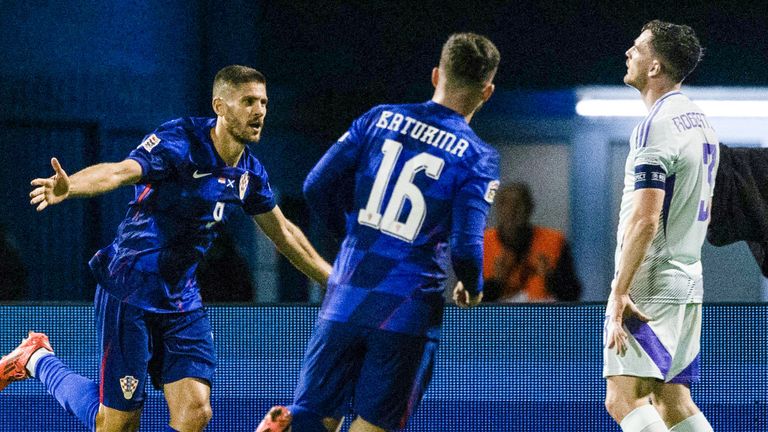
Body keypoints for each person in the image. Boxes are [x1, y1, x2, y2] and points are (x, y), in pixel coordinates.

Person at [0, 65, 332, 432]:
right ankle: (37, 359)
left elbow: (284, 232)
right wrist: (71, 186)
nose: (259, 111)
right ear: (220, 107)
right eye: (248, 101)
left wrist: (334, 281)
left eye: (264, 102)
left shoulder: (250, 174)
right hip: (130, 288)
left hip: (181, 298)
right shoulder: (179, 141)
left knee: (196, 412)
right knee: (115, 425)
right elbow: (120, 171)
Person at [257, 32, 501, 432]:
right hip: (405, 312)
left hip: (346, 295)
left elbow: (315, 186)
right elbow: (466, 247)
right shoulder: (477, 157)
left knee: (314, 420)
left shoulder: (378, 119)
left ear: (437, 74)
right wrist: (472, 287)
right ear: (487, 92)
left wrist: (354, 238)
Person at [603, 21, 717, 432]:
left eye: (637, 48)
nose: (628, 54)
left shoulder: (656, 126)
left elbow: (646, 219)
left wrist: (619, 293)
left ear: (655, 67)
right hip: (688, 279)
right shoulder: (700, 122)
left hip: (651, 285)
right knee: (673, 401)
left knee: (623, 399)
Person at [482, 182, 581, 302]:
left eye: (518, 204)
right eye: (505, 204)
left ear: (529, 208)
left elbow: (573, 295)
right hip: (497, 319)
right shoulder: (481, 244)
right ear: (497, 208)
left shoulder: (554, 241)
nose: (511, 211)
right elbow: (465, 301)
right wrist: (496, 282)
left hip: (543, 318)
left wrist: (550, 277)